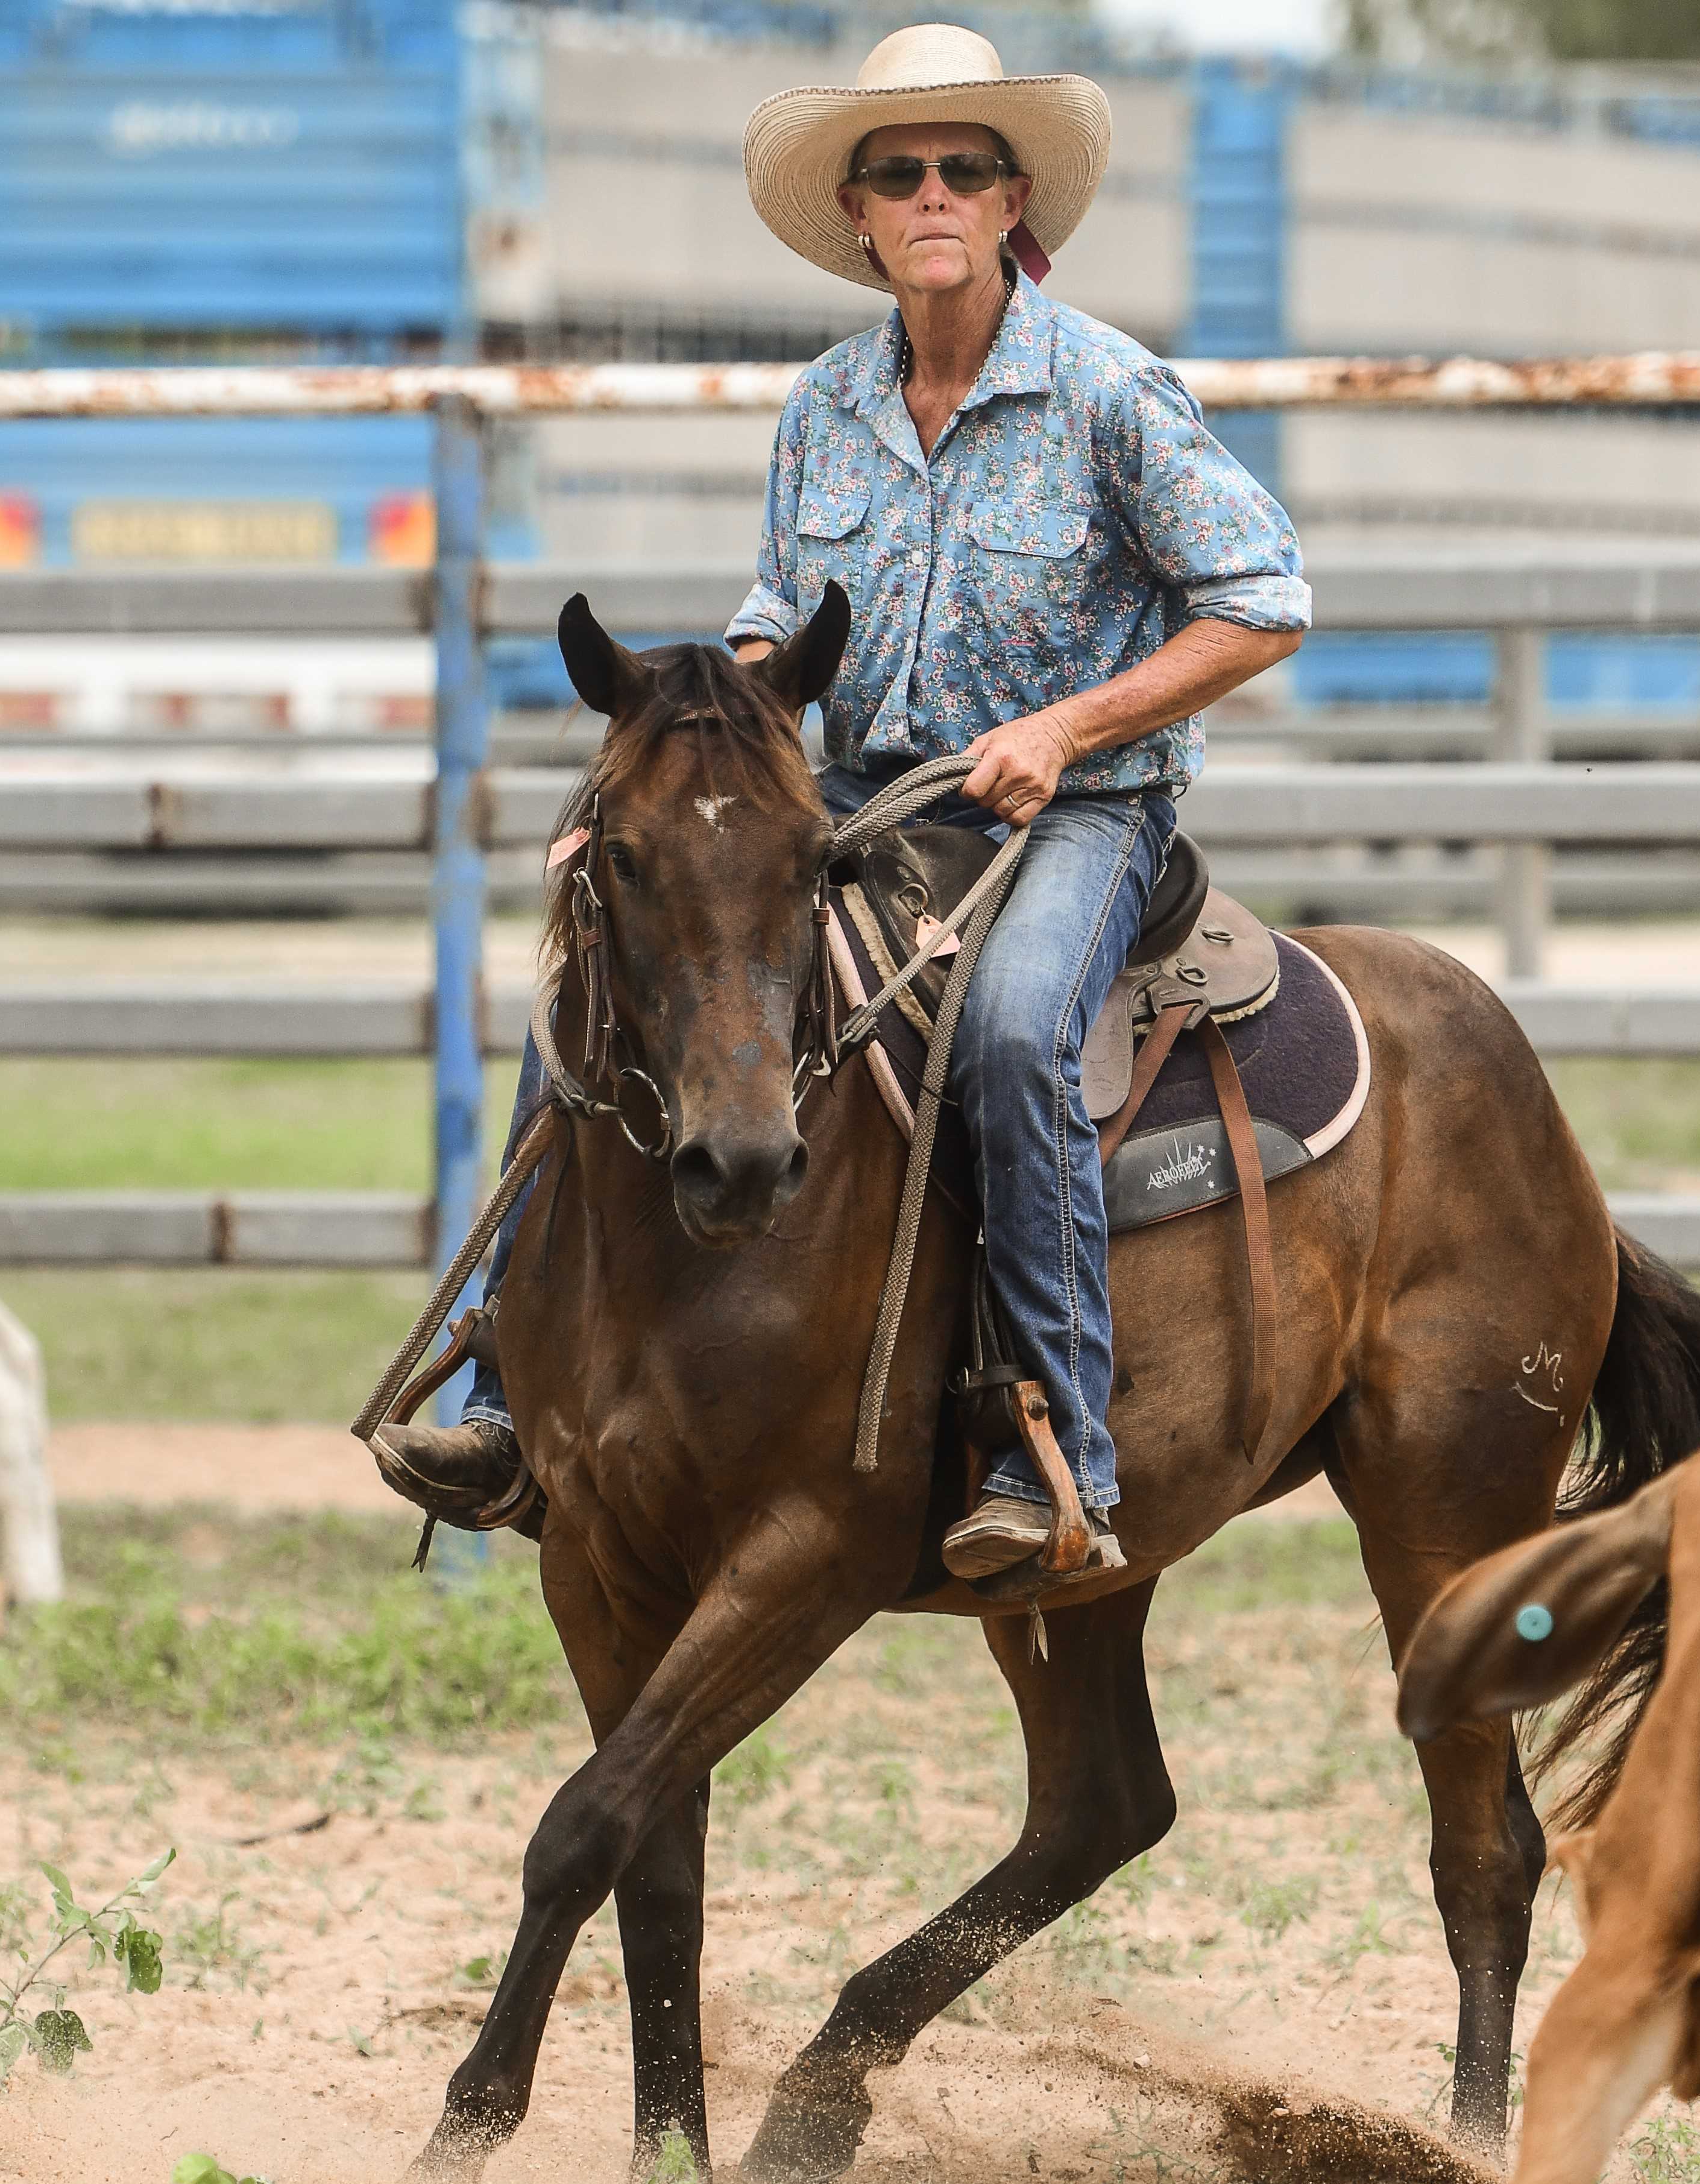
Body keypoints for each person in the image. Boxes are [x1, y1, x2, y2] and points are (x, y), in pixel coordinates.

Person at [370, 22, 1309, 1584]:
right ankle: (501, 1395)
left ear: (1012, 203)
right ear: (861, 215)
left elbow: (1262, 601)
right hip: (867, 796)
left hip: (1075, 811)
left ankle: (1056, 1448)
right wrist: (674, 779)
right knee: (594, 976)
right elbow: (776, 624)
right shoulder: (826, 408)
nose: (934, 193)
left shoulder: (1109, 391)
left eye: (966, 169)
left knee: (1010, 1033)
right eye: (899, 171)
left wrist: (1066, 728)